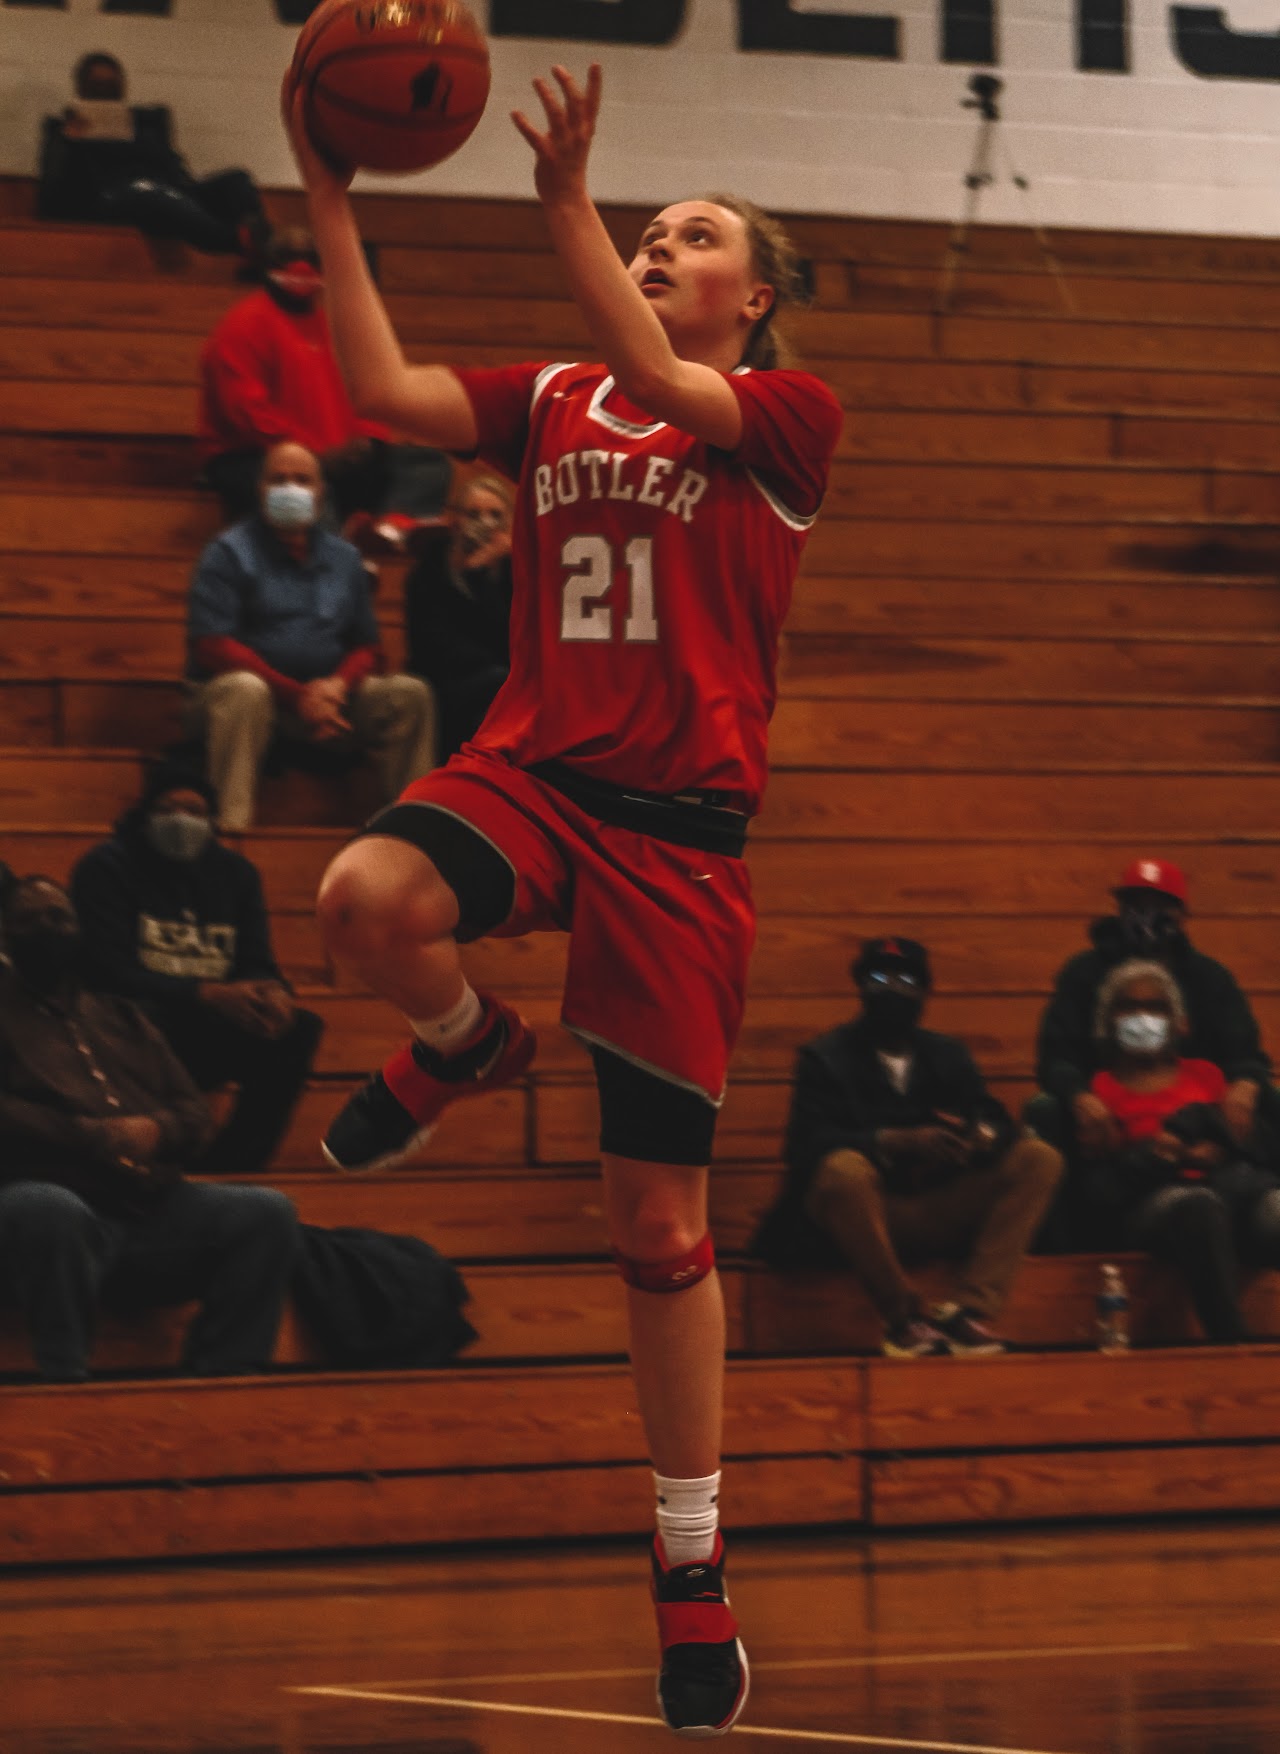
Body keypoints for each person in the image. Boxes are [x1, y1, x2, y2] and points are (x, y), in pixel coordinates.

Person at [285, 57, 842, 1739]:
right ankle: (458, 1038)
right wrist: (328, 187)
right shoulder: (552, 399)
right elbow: (375, 382)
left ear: (761, 298)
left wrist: (559, 210)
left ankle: (692, 1562)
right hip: (535, 772)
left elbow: (662, 369)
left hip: (677, 830)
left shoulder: (791, 420)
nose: (666, 244)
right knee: (363, 894)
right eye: (651, 228)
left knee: (656, 1230)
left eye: (694, 235)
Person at [0, 876, 298, 1382]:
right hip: (42, 1205)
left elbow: (192, 1112)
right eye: (32, 919)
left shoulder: (123, 1017)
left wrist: (155, 1131)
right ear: (6, 935)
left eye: (60, 917)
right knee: (48, 1208)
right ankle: (63, 1379)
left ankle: (226, 1376)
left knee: (266, 1212)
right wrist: (92, 1136)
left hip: (146, 1204)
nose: (50, 928)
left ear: (80, 931)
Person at [752, 938, 1063, 1358]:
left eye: (906, 981)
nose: (892, 990)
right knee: (842, 1169)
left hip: (936, 1201)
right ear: (861, 987)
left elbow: (995, 1121)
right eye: (880, 979)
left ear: (924, 992)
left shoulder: (948, 1055)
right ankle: (903, 1318)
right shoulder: (826, 1057)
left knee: (1039, 1158)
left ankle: (968, 1311)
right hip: (860, 1214)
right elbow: (804, 1147)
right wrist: (890, 1142)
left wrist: (978, 1139)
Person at [70, 760, 324, 1178]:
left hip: (209, 1018)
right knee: (137, 1019)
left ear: (211, 820)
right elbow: (105, 970)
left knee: (297, 1029)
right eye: (169, 809)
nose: (181, 821)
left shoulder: (236, 874)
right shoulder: (105, 868)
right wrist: (203, 993)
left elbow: (256, 958)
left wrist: (272, 991)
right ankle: (146, 1164)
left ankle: (234, 1169)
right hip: (131, 1023)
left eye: (194, 811)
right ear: (146, 814)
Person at [184, 439, 437, 831]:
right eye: (278, 479)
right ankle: (232, 834)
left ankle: (414, 835)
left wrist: (337, 687)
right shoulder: (228, 552)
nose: (290, 489)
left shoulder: (345, 558)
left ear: (321, 494)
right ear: (260, 489)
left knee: (409, 694)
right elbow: (214, 648)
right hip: (258, 702)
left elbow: (368, 647)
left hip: (329, 702)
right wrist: (298, 695)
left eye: (302, 480)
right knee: (243, 690)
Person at [1029, 858, 1274, 1239]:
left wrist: (1246, 1084)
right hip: (1110, 1115)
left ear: (1181, 914)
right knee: (1046, 1111)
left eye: (1160, 905)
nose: (1147, 915)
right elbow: (1054, 1056)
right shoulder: (1084, 973)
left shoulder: (1210, 978)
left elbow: (1246, 1053)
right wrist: (1079, 1096)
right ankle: (1071, 1239)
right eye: (1136, 903)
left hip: (1201, 1109)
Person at [1082, 959, 1280, 1342]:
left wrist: (1221, 1145)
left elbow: (1249, 1140)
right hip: (1157, 1204)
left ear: (1179, 1021)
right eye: (1130, 1007)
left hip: (1235, 1195)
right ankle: (1231, 1341)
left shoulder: (1207, 1075)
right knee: (1198, 1204)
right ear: (1109, 1020)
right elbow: (1103, 1188)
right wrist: (1167, 1155)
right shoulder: (1100, 1090)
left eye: (1156, 1007)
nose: (1143, 1018)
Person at [198, 226, 448, 530]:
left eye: (309, 258)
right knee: (306, 491)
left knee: (427, 465)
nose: (300, 268)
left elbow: (363, 396)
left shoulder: (332, 326)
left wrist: (369, 441)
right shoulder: (241, 326)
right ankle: (338, 556)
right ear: (268, 263)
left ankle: (389, 529)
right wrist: (312, 457)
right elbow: (247, 416)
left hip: (332, 459)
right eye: (288, 257)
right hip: (257, 458)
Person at [37, 52, 268, 266]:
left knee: (237, 179)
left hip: (167, 191)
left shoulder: (145, 124)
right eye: (98, 86)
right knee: (147, 194)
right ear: (82, 88)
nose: (105, 92)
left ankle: (261, 241)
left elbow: (172, 167)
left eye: (111, 85)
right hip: (113, 200)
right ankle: (237, 241)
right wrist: (70, 142)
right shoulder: (62, 130)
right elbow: (54, 192)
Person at [404, 473, 514, 760]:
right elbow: (435, 648)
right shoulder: (427, 572)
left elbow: (513, 639)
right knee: (500, 687)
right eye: (474, 514)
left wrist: (480, 573)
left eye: (495, 514)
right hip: (442, 684)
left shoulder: (517, 574)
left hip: (497, 684)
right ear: (455, 521)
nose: (484, 522)